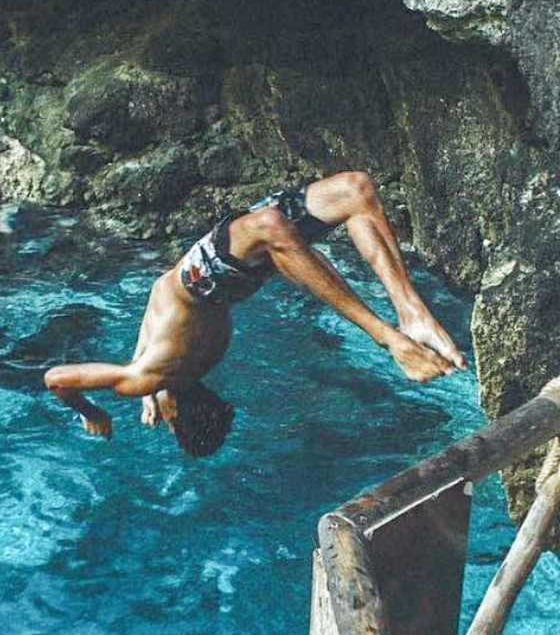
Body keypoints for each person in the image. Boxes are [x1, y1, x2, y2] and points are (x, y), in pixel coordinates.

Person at [43, 171, 467, 456]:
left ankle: (410, 314)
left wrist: (107, 410)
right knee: (277, 221)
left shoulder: (170, 370)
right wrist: (98, 409)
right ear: (174, 411)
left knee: (356, 189)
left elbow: (67, 375)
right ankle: (390, 336)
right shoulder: (146, 377)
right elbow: (61, 379)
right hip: (208, 276)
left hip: (228, 278)